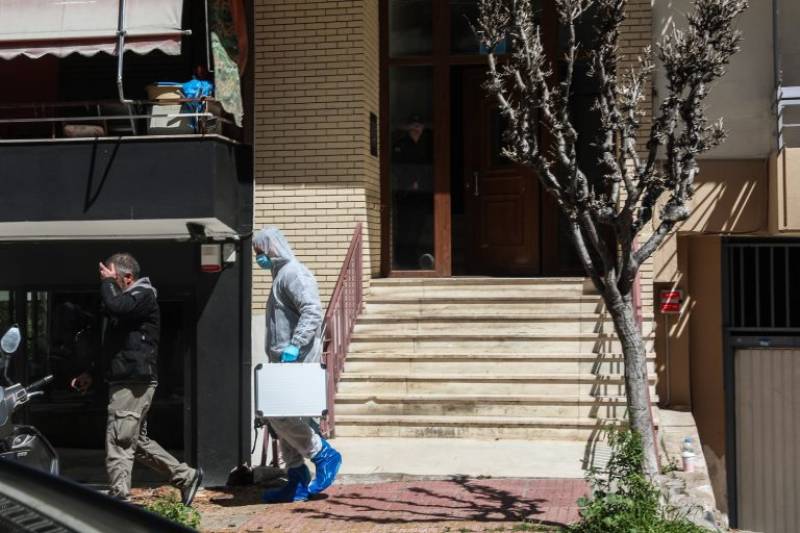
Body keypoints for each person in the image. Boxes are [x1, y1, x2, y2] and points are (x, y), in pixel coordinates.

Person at [71, 253, 203, 505]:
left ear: (128, 277)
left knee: (119, 439)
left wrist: (107, 283)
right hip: (125, 379)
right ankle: (186, 477)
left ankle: (118, 500)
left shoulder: (143, 295)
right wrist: (91, 372)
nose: (109, 285)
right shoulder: (126, 302)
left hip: (133, 381)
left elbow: (117, 306)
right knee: (136, 442)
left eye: (114, 279)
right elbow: (111, 344)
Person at [253, 227, 343, 503]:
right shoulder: (281, 275)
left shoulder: (293, 273)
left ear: (271, 248)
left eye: (259, 251)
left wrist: (295, 344)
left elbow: (312, 310)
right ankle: (296, 481)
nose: (258, 258)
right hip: (283, 360)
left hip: (297, 358)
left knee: (280, 415)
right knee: (281, 419)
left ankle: (323, 454)